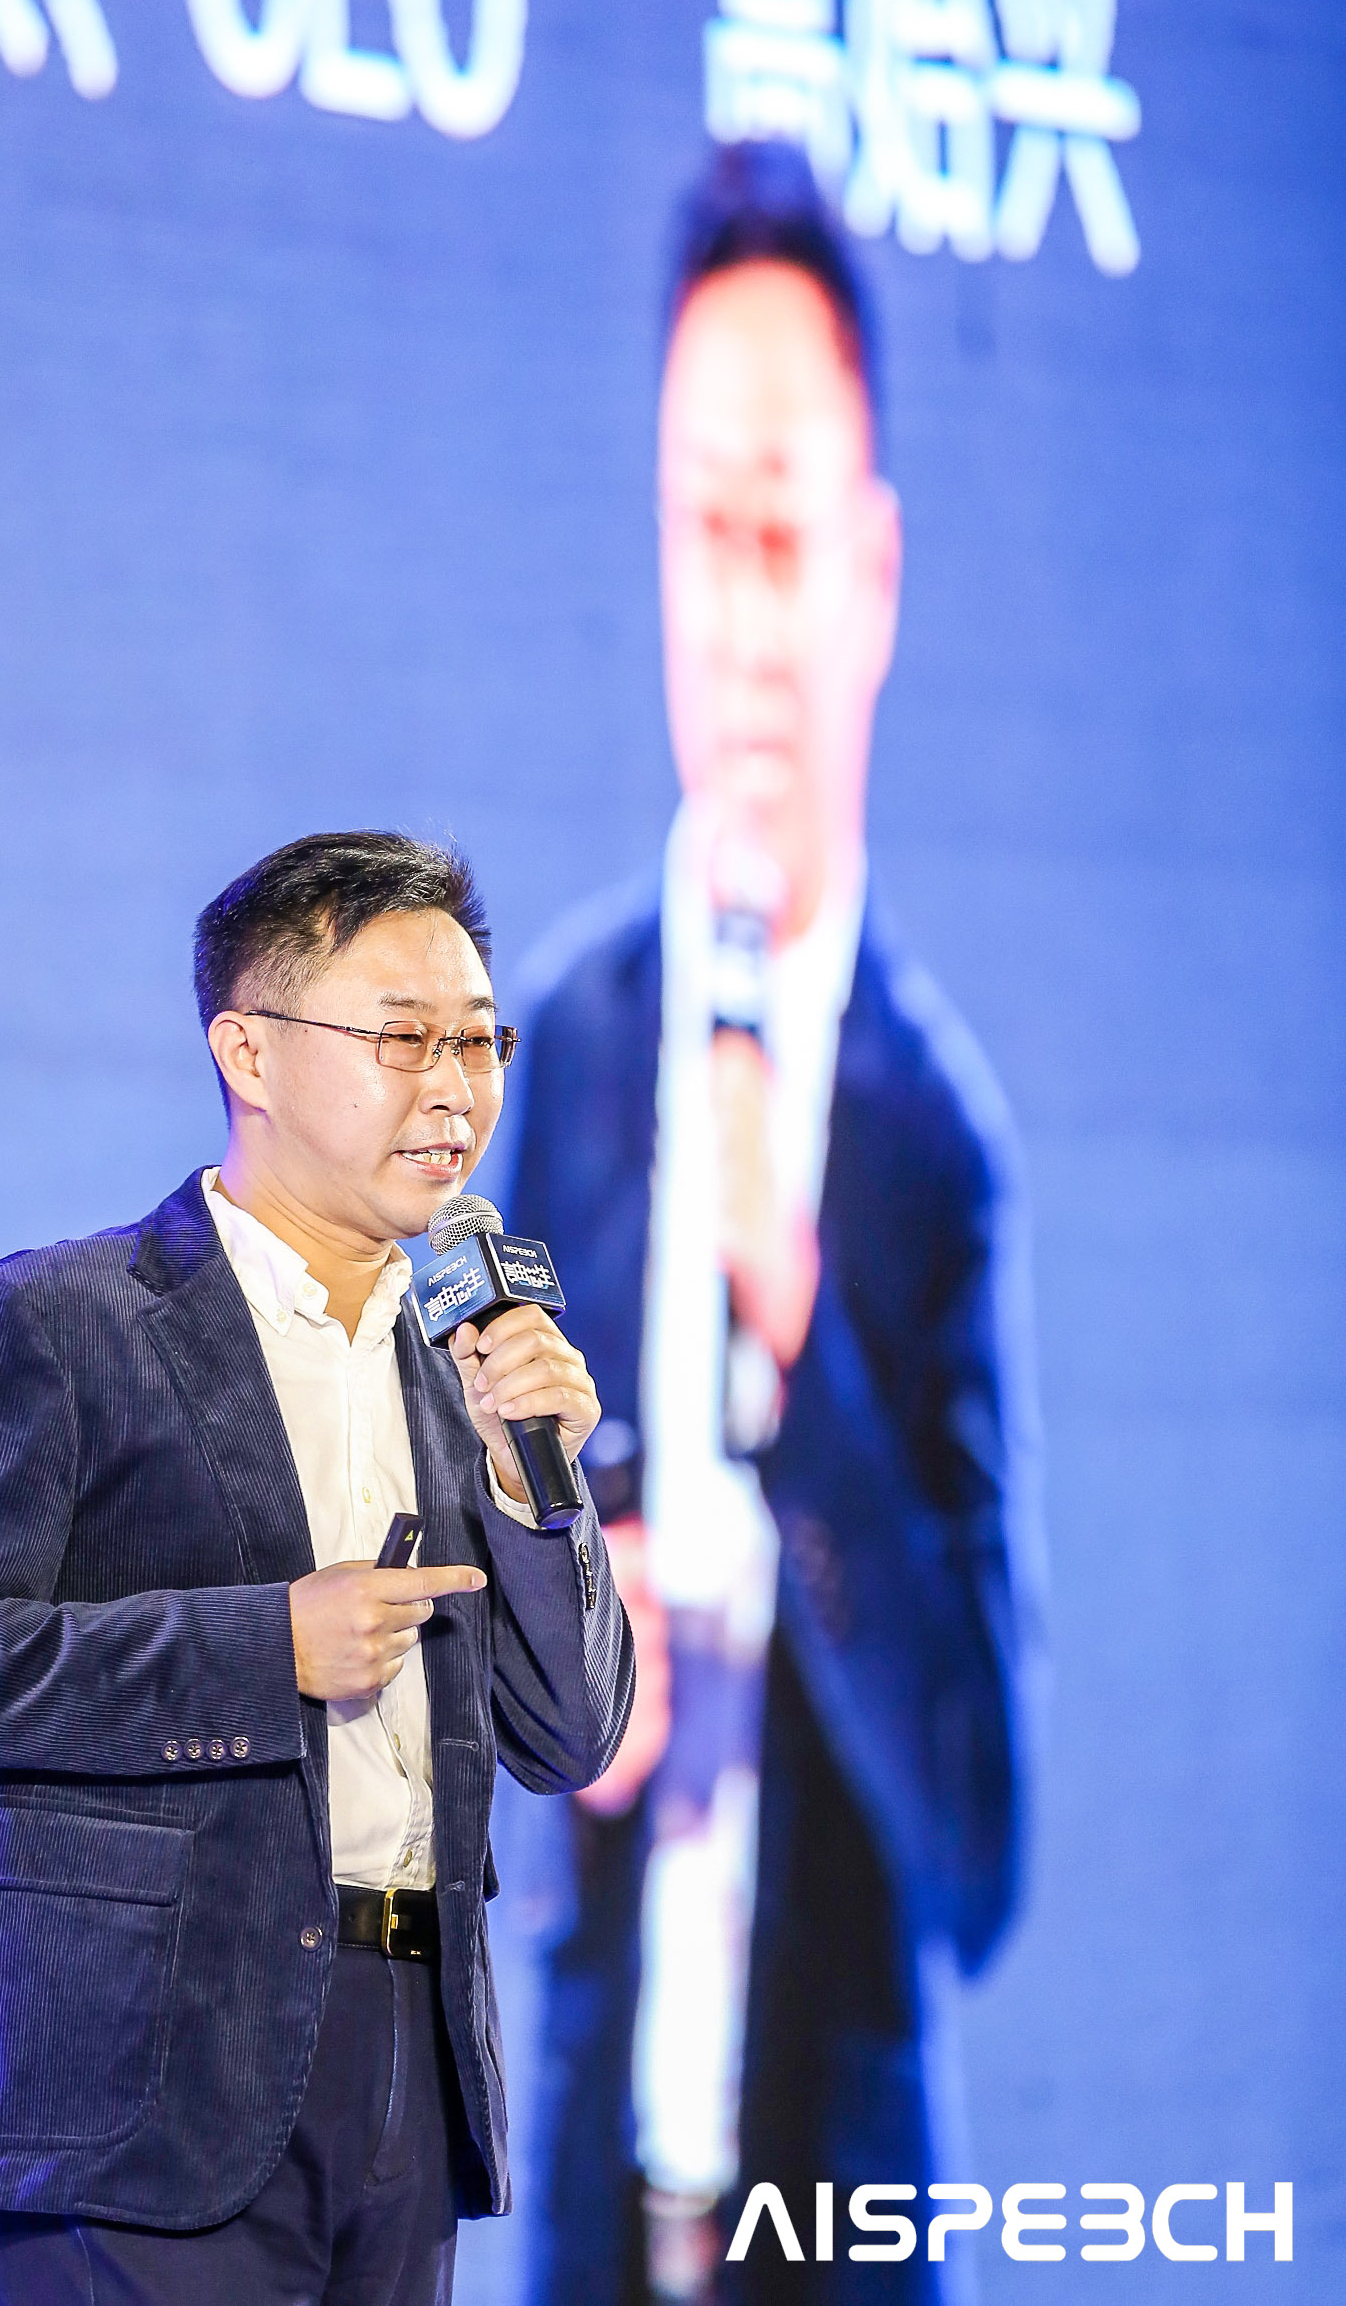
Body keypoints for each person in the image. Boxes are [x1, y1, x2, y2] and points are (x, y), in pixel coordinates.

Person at [0, 830, 635, 2306]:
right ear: (248, 1051)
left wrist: (534, 1487)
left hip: (409, 2061)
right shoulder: (62, 1323)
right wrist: (264, 1648)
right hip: (143, 2077)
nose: (453, 1086)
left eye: (478, 1039)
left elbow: (570, 1734)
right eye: (401, 1037)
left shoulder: (463, 1364)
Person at [508, 146, 1046, 2305]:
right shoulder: (559, 1050)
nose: (737, 619)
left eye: (779, 534)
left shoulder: (930, 1146)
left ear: (872, 573)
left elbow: (979, 1850)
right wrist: (554, 1670)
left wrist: (801, 1340)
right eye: (693, 531)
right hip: (584, 2189)